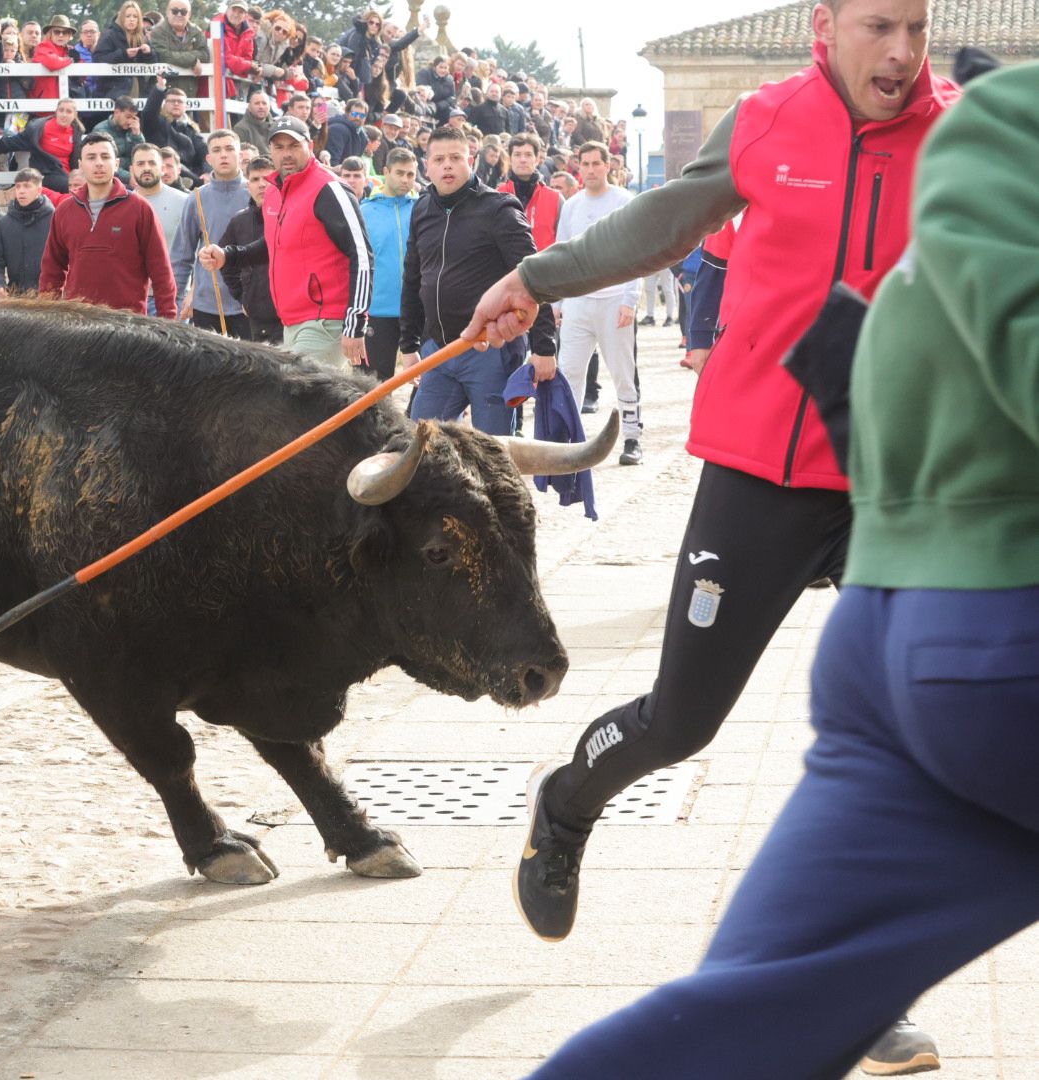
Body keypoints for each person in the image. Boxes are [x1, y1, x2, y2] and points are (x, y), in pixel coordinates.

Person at [464, 1, 955, 1070]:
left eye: (918, 26)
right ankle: (566, 803)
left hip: (893, 482)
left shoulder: (960, 133)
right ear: (824, 25)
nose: (902, 52)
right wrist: (536, 280)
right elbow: (663, 225)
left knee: (909, 745)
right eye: (881, 24)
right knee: (682, 721)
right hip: (763, 470)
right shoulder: (766, 122)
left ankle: (855, 989)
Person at [398, 124, 551, 434]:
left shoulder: (499, 209)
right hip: (437, 350)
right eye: (439, 159)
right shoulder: (421, 209)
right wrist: (409, 343)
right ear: (427, 165)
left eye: (456, 157)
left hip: (490, 350)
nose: (447, 165)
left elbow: (534, 277)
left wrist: (545, 347)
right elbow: (413, 279)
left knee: (493, 450)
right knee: (420, 446)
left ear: (472, 160)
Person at [200, 115, 371, 367]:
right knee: (325, 405)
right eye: (279, 147)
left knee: (301, 400)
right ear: (270, 150)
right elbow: (273, 245)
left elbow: (362, 254)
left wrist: (356, 321)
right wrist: (229, 256)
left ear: (310, 146)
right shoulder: (274, 191)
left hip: (324, 321)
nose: (286, 154)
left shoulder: (330, 189)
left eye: (293, 145)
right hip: (290, 321)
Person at [544, 141, 643, 462]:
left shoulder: (624, 201)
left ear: (607, 166)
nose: (589, 170)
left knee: (622, 373)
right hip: (577, 301)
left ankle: (631, 438)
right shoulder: (571, 206)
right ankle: (572, 443)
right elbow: (562, 254)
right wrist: (556, 303)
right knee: (570, 371)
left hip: (614, 300)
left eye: (595, 164)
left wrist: (631, 298)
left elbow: (637, 253)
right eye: (584, 164)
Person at [39, 131, 176, 317]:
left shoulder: (139, 209)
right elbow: (51, 271)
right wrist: (48, 316)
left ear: (117, 164)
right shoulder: (64, 210)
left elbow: (161, 272)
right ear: (80, 165)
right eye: (91, 157)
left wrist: (167, 321)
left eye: (105, 157)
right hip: (77, 325)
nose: (98, 163)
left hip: (128, 327)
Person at [170, 128, 248, 336]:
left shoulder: (256, 194)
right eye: (217, 150)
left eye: (230, 149)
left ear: (240, 155)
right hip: (206, 305)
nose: (223, 154)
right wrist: (177, 300)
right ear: (209, 158)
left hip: (249, 305)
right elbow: (181, 255)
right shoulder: (196, 198)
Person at [358, 146, 415, 380]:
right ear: (385, 172)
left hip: (416, 308)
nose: (405, 180)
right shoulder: (365, 211)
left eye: (410, 174)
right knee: (374, 384)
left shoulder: (421, 208)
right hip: (377, 310)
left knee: (429, 381)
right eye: (399, 173)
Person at [219, 154, 277, 343]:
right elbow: (226, 261)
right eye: (255, 179)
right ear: (247, 185)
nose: (261, 184)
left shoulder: (292, 214)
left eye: (267, 178)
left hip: (293, 318)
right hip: (257, 320)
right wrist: (243, 297)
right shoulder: (239, 221)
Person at [0, 166, 53, 297]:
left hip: (50, 298)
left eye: (27, 186)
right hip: (16, 299)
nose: (21, 191)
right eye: (18, 187)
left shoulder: (56, 221)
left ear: (39, 190)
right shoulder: (4, 224)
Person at [0, 98, 82, 194]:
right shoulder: (38, 128)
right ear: (56, 112)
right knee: (68, 186)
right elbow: (16, 141)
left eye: (68, 111)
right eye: (61, 110)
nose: (64, 115)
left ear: (75, 115)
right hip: (46, 173)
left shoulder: (76, 131)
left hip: (68, 175)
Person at [496, 131, 561, 252]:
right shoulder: (497, 196)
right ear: (510, 159)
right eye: (517, 154)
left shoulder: (555, 198)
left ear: (537, 159)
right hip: (507, 269)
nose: (523, 160)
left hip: (544, 268)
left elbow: (563, 241)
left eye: (528, 155)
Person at [141, 78, 207, 184]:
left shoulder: (192, 128)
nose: (176, 103)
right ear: (164, 104)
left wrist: (207, 173)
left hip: (190, 174)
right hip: (161, 171)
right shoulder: (157, 122)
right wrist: (159, 88)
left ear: (186, 106)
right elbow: (149, 112)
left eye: (180, 101)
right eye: (171, 101)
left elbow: (204, 151)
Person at [128, 141, 187, 252]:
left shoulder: (184, 202)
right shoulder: (123, 206)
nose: (146, 168)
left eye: (152, 163)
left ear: (162, 169)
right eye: (140, 164)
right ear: (132, 170)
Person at [148, 0, 206, 92]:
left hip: (189, 91)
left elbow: (204, 54)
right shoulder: (157, 31)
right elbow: (163, 55)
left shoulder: (197, 32)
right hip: (163, 90)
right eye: (175, 11)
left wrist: (180, 57)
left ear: (189, 14)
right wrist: (193, 59)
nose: (179, 14)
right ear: (167, 12)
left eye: (183, 12)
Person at [233, 88, 273, 155]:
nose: (261, 106)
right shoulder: (240, 128)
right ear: (249, 107)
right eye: (257, 103)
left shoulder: (276, 127)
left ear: (269, 106)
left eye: (264, 103)